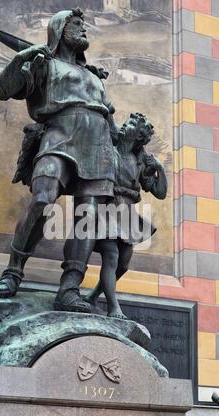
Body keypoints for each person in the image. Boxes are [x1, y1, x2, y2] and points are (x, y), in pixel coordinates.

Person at [0, 9, 118, 313]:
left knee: (88, 217)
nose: (84, 30)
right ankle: (12, 273)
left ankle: (69, 289)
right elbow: (3, 90)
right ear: (59, 29)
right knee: (42, 200)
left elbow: (109, 116)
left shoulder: (94, 76)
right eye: (77, 25)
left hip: (98, 145)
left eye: (84, 25)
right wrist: (24, 57)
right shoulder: (45, 63)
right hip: (59, 135)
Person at [83, 113, 167, 319]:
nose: (124, 126)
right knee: (111, 257)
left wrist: (160, 169)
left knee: (123, 265)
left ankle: (93, 296)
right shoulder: (107, 150)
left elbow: (160, 192)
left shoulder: (140, 161)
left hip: (127, 214)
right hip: (106, 210)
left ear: (138, 136)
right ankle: (114, 308)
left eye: (130, 125)